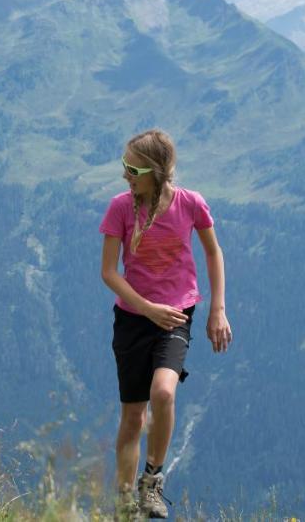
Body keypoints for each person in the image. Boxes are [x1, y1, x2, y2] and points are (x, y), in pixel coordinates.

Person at [99, 129, 231, 519]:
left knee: (164, 393)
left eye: (133, 168)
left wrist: (217, 309)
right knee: (133, 415)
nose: (125, 174)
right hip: (132, 318)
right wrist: (146, 308)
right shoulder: (120, 208)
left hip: (176, 313)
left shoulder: (191, 204)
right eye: (123, 165)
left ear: (156, 171)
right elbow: (109, 272)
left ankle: (151, 481)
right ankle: (124, 500)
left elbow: (213, 251)